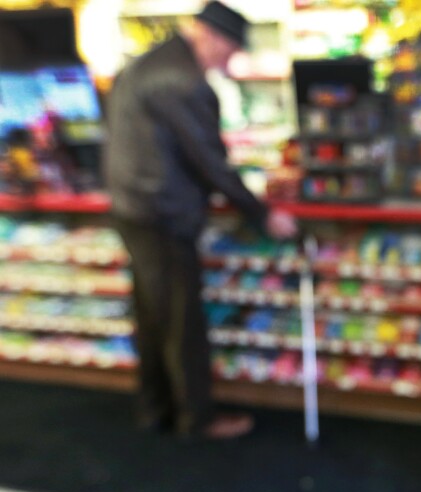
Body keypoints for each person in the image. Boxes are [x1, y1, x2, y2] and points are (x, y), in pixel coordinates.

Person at [102, 1, 296, 439]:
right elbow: (212, 162)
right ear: (210, 37)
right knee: (181, 322)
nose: (228, 63)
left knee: (153, 317)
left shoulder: (150, 63)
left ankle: (156, 411)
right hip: (163, 214)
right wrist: (262, 212)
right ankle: (196, 418)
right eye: (229, 52)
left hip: (134, 207)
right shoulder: (184, 81)